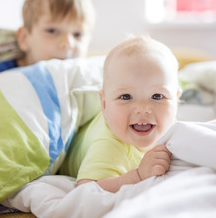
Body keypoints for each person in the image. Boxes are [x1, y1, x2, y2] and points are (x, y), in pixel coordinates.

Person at [59, 35, 182, 193]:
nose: (143, 108)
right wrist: (138, 176)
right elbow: (87, 189)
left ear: (176, 102)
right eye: (126, 97)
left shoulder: (172, 127)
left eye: (157, 96)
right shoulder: (110, 144)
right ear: (104, 104)